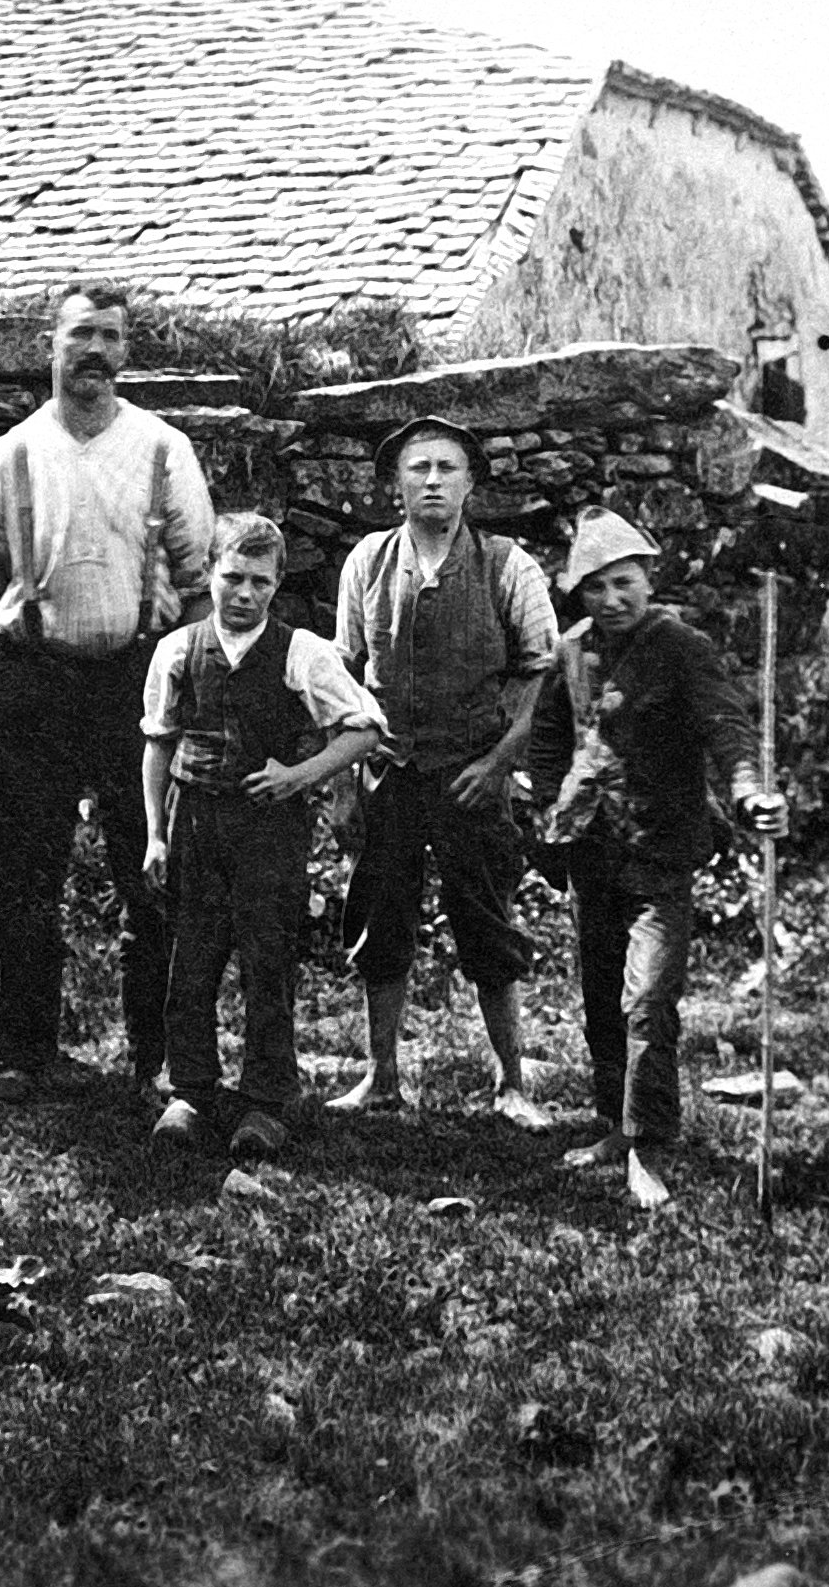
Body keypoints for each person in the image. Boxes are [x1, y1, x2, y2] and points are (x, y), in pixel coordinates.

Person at [0, 285, 215, 1101]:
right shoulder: (12, 453)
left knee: (150, 871)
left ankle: (156, 1056)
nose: (94, 350)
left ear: (125, 351)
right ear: (51, 345)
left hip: (136, 682)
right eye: (80, 335)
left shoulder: (163, 449)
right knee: (28, 878)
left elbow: (199, 586)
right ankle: (25, 1054)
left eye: (109, 336)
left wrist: (186, 694)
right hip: (34, 682)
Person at [526, 506, 788, 1209]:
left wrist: (749, 790)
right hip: (590, 851)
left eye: (623, 582)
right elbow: (546, 735)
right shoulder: (571, 650)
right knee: (601, 996)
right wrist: (551, 803)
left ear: (648, 578)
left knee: (647, 1001)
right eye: (595, 587)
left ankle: (647, 1145)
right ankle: (613, 1126)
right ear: (578, 593)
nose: (611, 599)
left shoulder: (681, 647)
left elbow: (727, 727)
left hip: (660, 851)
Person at [327, 416, 558, 1126]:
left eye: (446, 468)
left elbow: (542, 678)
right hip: (388, 772)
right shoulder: (367, 561)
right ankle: (382, 1075)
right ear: (394, 486)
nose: (432, 480)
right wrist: (342, 783)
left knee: (488, 923)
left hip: (471, 776)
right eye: (417, 468)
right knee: (379, 922)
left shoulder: (507, 565)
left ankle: (511, 1082)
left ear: (469, 484)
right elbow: (342, 675)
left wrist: (498, 762)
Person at [139, 514, 384, 1155]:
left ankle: (264, 1102)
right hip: (195, 822)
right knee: (190, 961)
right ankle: (190, 1092)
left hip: (268, 830)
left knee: (266, 962)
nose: (245, 594)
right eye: (233, 578)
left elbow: (364, 730)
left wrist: (298, 776)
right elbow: (157, 744)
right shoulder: (178, 650)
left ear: (277, 585)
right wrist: (155, 836)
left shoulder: (302, 652)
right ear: (209, 575)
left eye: (261, 582)